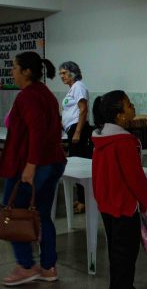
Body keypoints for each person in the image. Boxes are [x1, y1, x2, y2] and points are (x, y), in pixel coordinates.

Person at [0, 51, 67, 286]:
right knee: (42, 215)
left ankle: (26, 266)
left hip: (35, 165)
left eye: (15, 68)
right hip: (52, 162)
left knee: (13, 211)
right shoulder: (44, 93)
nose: (12, 72)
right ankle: (48, 267)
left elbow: (36, 132)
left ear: (26, 71)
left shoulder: (28, 96)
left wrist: (30, 166)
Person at [91, 90, 147, 289]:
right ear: (120, 115)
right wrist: (144, 202)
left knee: (115, 252)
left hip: (107, 206)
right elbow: (135, 178)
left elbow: (97, 175)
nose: (133, 106)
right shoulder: (125, 142)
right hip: (125, 207)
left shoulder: (100, 139)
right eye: (129, 104)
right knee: (126, 254)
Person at [59, 61, 91, 213]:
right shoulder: (72, 89)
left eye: (64, 73)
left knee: (80, 167)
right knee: (76, 166)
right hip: (71, 130)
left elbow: (83, 110)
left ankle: (85, 202)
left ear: (73, 73)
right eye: (60, 74)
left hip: (78, 131)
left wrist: (77, 132)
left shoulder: (79, 86)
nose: (62, 76)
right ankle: (81, 199)